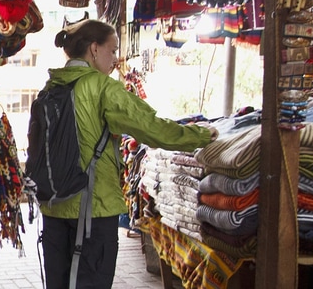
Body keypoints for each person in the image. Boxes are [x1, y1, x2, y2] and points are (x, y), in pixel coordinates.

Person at [39, 19, 218, 289]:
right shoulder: (102, 89)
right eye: (112, 50)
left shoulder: (49, 89)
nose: (115, 59)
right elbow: (152, 129)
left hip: (53, 208)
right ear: (94, 49)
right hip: (94, 211)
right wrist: (202, 135)